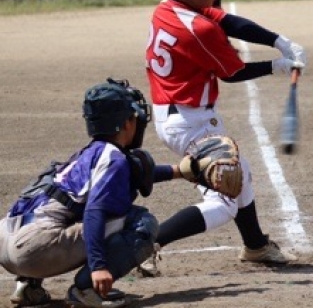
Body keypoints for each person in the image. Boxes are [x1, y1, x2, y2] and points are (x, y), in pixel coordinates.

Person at [141, 0, 306, 276]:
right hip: (191, 122)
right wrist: (276, 66)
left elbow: (227, 20)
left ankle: (255, 246)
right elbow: (233, 73)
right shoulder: (198, 31)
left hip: (178, 114)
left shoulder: (169, 7)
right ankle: (146, 244)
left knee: (240, 173)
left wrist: (278, 41)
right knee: (224, 198)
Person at [0, 78, 180, 307]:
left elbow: (135, 173)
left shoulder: (88, 154)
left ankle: (28, 287)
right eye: (134, 116)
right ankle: (86, 290)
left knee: (60, 212)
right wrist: (99, 266)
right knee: (141, 222)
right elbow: (95, 211)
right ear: (126, 123)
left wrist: (181, 171)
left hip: (7, 240)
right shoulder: (113, 159)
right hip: (34, 250)